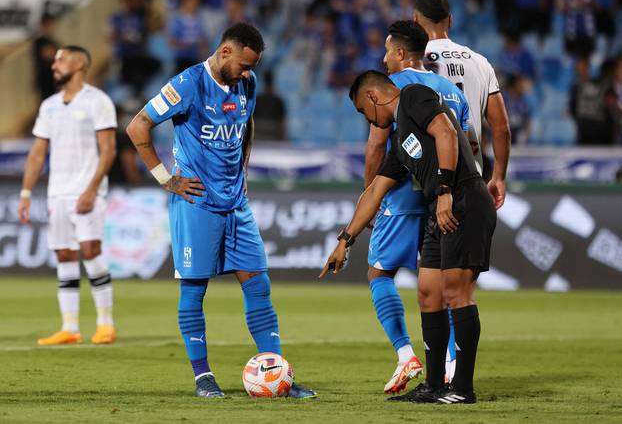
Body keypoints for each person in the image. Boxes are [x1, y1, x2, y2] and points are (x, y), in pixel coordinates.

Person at [125, 22, 316, 399]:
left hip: (236, 205)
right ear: (225, 51)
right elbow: (138, 126)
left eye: (253, 66)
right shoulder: (187, 84)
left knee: (258, 285)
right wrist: (167, 178)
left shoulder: (247, 83)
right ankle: (203, 378)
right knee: (194, 291)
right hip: (196, 204)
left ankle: (277, 374)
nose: (248, 73)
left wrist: (243, 171)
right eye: (244, 65)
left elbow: (247, 126)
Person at [321, 70, 497, 405]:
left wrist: (444, 190)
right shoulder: (402, 142)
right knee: (428, 293)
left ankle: (462, 387)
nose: (367, 119)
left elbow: (445, 131)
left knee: (455, 293)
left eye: (363, 111)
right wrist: (345, 240)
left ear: (373, 98)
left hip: (462, 200)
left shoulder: (414, 96)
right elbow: (375, 191)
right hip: (439, 209)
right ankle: (433, 384)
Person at [364, 20, 470, 395]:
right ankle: (451, 366)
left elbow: (379, 145)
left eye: (388, 50)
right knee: (445, 284)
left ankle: (406, 354)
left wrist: (371, 195)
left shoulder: (393, 90)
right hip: (447, 194)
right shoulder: (451, 90)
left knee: (380, 273)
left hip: (403, 192)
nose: (384, 58)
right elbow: (467, 140)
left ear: (401, 53)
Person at [18, 46, 118, 345]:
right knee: (64, 253)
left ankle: (105, 323)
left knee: (90, 250)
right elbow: (37, 154)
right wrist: (25, 192)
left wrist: (90, 189)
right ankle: (70, 327)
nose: (54, 66)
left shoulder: (98, 101)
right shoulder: (49, 105)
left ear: (80, 64)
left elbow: (109, 150)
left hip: (87, 191)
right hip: (57, 193)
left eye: (60, 60)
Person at [413, 0, 510, 209]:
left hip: (422, 180)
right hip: (469, 178)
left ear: (416, 21)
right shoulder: (481, 62)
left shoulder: (411, 62)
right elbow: (501, 127)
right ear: (451, 21)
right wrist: (499, 177)